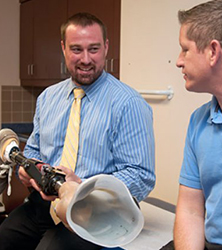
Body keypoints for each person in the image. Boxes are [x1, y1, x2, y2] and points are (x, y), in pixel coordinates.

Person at [0, 12, 155, 250]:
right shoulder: (47, 98)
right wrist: (26, 170)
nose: (85, 59)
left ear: (106, 47)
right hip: (43, 206)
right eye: (76, 49)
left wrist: (84, 186)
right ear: (63, 48)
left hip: (95, 212)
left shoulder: (128, 104)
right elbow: (33, 149)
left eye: (93, 49)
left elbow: (141, 175)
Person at [173, 0, 222, 249]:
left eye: (185, 49)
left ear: (213, 52)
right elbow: (191, 211)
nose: (178, 61)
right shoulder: (199, 121)